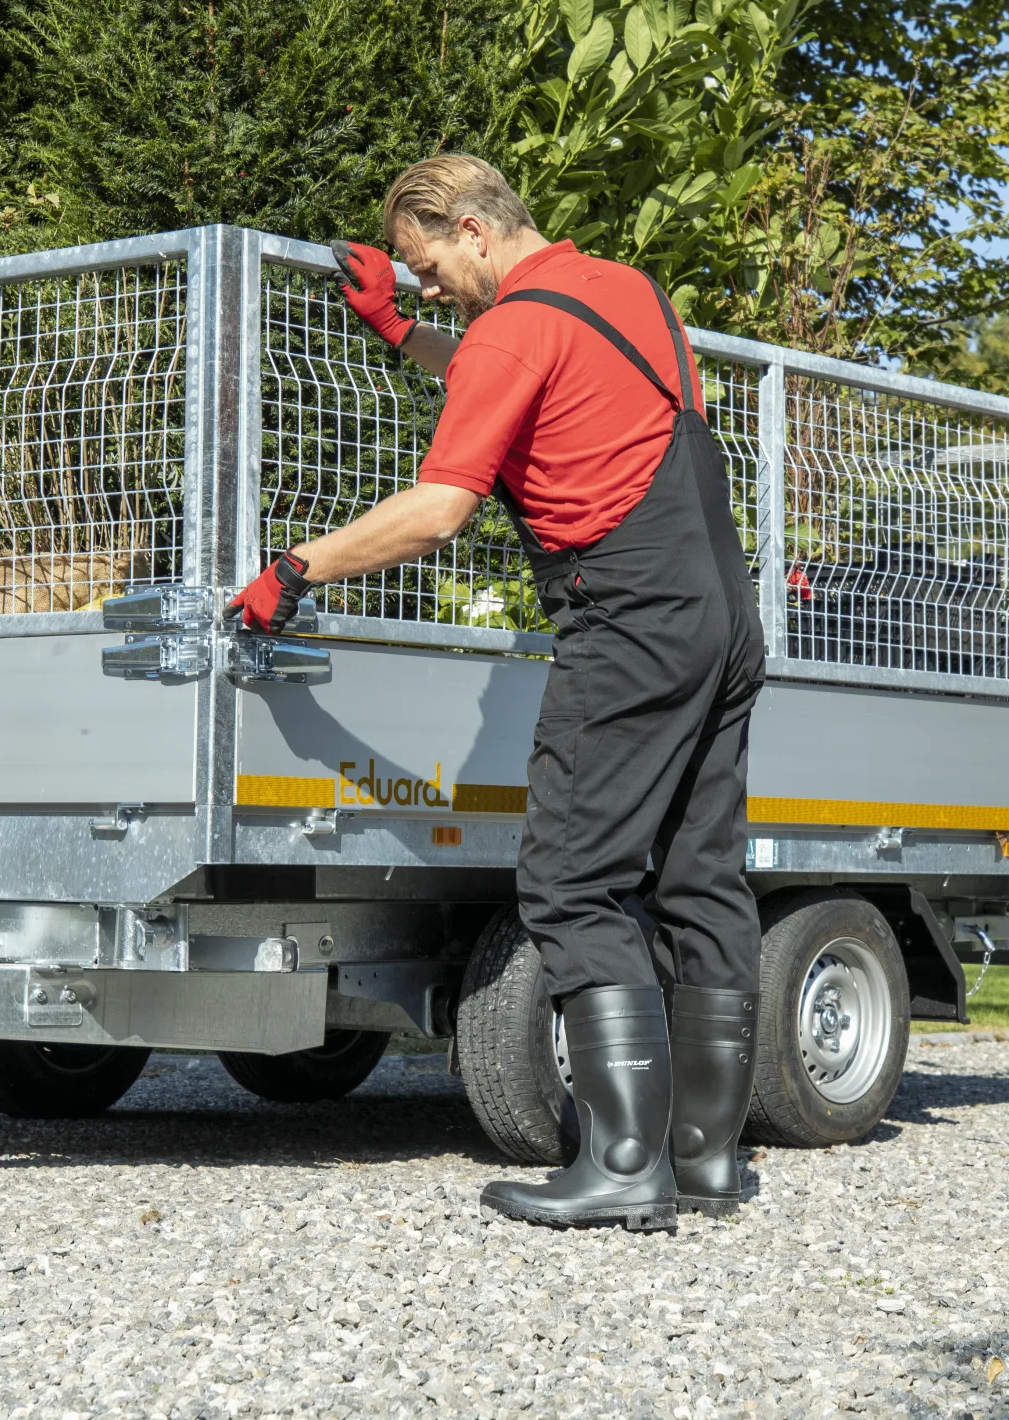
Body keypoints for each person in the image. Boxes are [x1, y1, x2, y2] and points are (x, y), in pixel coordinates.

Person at [226, 155, 764, 1231]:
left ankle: (620, 1164)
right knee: (701, 874)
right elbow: (506, 371)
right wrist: (398, 335)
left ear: (472, 229)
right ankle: (704, 1162)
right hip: (721, 609)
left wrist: (295, 570)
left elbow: (438, 510)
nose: (427, 289)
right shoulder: (625, 290)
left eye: (427, 268)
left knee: (570, 877)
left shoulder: (513, 327)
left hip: (630, 617)